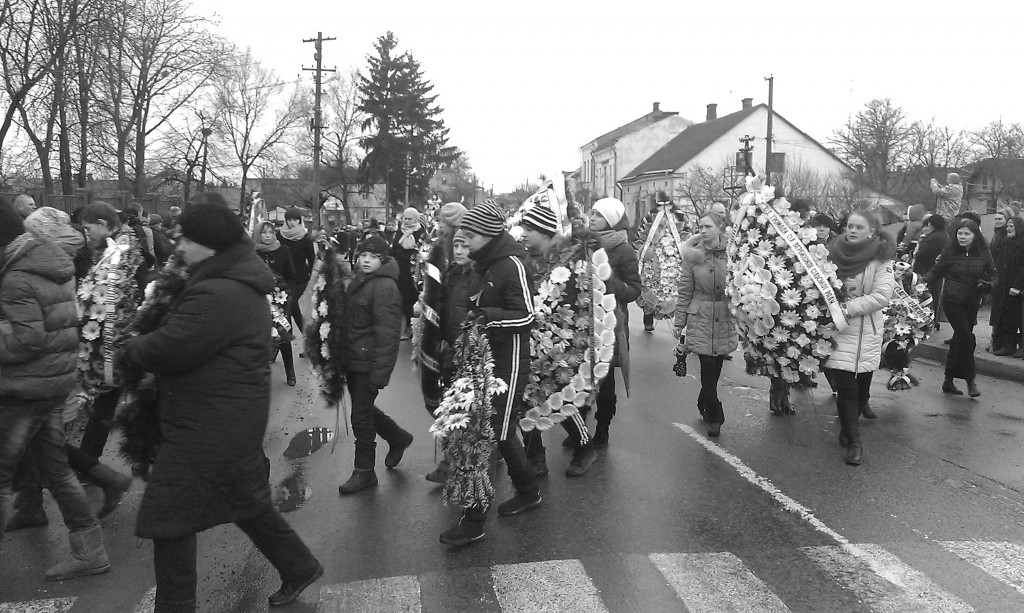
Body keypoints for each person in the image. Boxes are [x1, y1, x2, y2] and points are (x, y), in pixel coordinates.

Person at [120, 203, 323, 611]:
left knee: (169, 516)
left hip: (210, 424)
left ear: (208, 246)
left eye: (187, 239)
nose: (179, 245)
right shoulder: (224, 280)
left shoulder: (219, 291)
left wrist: (127, 347)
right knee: (245, 502)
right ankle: (298, 566)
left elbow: (170, 348)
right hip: (222, 417)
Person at [0, 197, 111, 580]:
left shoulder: (16, 276)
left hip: (24, 389)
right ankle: (89, 550)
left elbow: (26, 339)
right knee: (57, 471)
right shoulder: (46, 262)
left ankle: (89, 550)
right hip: (50, 383)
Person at [440, 202, 541, 547]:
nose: (464, 244)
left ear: (488, 235)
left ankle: (474, 519)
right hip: (482, 362)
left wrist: (486, 315)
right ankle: (528, 491)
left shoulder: (512, 265)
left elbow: (527, 317)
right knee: (499, 432)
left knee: (484, 436)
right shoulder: (486, 264)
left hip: (507, 366)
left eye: (470, 238)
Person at [519, 205, 598, 476]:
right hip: (529, 337)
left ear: (543, 231)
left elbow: (579, 301)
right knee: (524, 397)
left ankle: (584, 447)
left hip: (562, 340)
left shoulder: (574, 258)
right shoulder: (527, 258)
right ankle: (535, 458)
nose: (524, 234)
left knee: (561, 395)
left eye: (529, 229)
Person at [336, 235, 415, 494]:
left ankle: (364, 471)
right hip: (354, 359)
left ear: (383, 259)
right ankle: (398, 438)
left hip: (368, 364)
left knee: (360, 415)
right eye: (362, 255)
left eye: (372, 257)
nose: (366, 260)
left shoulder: (385, 288)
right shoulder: (360, 282)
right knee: (365, 409)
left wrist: (379, 374)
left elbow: (388, 335)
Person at [823, 210, 895, 466]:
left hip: (867, 333)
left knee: (862, 392)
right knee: (846, 390)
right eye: (849, 226)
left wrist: (846, 308)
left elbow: (882, 296)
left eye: (858, 227)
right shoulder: (831, 254)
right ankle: (855, 443)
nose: (852, 231)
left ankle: (847, 427)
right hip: (840, 334)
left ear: (872, 231)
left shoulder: (881, 259)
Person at [674, 212, 737, 438]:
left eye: (708, 226)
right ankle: (715, 415)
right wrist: (679, 322)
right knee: (707, 369)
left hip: (724, 316)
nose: (703, 230)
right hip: (700, 316)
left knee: (715, 370)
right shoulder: (692, 256)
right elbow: (684, 292)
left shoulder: (732, 254)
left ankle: (704, 399)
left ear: (720, 228)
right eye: (700, 226)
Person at [586, 198, 642, 447]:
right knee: (580, 374)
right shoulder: (583, 244)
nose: (592, 217)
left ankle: (603, 426)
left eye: (598, 214)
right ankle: (576, 426)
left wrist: (611, 284)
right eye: (592, 213)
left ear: (610, 219)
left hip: (610, 322)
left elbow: (634, 291)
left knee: (605, 378)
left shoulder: (624, 250)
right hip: (583, 320)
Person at [425, 228, 477, 484]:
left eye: (465, 246)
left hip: (471, 353)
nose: (459, 251)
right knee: (450, 406)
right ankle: (453, 460)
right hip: (450, 351)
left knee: (464, 410)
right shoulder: (451, 274)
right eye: (456, 245)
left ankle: (453, 465)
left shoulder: (479, 276)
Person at [925, 218, 996, 397]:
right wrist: (919, 283)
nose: (962, 237)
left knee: (959, 341)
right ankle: (971, 381)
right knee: (967, 338)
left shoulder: (983, 252)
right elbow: (936, 271)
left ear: (975, 235)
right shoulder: (950, 251)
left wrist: (987, 285)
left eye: (967, 234)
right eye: (960, 233)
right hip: (952, 301)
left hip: (972, 303)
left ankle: (948, 380)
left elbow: (994, 275)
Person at [633, 191, 688, 332]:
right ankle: (648, 316)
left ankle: (677, 319)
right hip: (653, 256)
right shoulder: (649, 217)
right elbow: (641, 234)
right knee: (650, 284)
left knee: (675, 284)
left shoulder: (679, 216)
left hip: (673, 255)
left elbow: (687, 233)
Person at [254, 221, 299, 386]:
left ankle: (290, 372)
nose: (267, 236)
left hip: (281, 300)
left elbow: (291, 276)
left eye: (271, 232)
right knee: (263, 337)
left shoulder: (284, 251)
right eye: (264, 232)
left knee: (283, 334)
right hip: (261, 301)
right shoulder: (254, 253)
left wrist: (288, 296)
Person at [277, 208, 316, 336]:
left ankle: (287, 336)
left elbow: (312, 260)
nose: (292, 222)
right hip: (284, 278)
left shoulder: (306, 238)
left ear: (300, 220)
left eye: (295, 219)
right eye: (289, 219)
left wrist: (312, 279)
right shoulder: (279, 236)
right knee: (294, 309)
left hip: (300, 278)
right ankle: (307, 337)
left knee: (290, 304)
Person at [991, 216, 1024, 357]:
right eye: (1008, 226)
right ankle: (1002, 344)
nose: (1009, 228)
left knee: (1013, 317)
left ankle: (1013, 346)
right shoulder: (1005, 242)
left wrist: (1017, 286)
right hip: (1003, 285)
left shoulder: (1021, 243)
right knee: (1003, 315)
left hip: (1015, 287)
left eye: (1012, 226)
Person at [392, 207, 425, 340]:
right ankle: (405, 326)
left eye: (409, 218)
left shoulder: (421, 232)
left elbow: (424, 249)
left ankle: (414, 328)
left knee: (414, 299)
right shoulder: (399, 231)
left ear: (416, 219)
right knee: (402, 298)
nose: (406, 221)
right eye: (404, 218)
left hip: (415, 271)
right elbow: (394, 248)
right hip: (401, 271)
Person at [913, 215, 950, 329]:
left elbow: (921, 254)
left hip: (929, 270)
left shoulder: (935, 237)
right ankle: (933, 320)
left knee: (928, 296)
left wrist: (916, 253)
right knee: (934, 295)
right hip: (935, 271)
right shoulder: (943, 235)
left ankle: (929, 321)